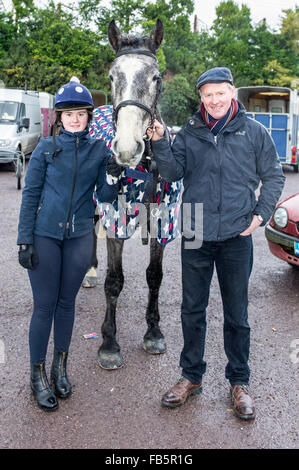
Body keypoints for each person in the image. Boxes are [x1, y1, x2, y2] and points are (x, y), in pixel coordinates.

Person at [148, 67, 285, 420]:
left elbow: (273, 175)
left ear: (232, 92)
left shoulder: (254, 132)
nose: (214, 100)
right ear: (201, 99)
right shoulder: (190, 132)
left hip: (237, 232)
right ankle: (191, 376)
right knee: (192, 309)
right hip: (195, 228)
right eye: (207, 95)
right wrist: (161, 140)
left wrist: (260, 215)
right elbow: (172, 172)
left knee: (236, 313)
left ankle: (239, 382)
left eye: (220, 93)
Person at [17, 77, 119, 411]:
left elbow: (104, 197)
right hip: (45, 236)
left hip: (78, 238)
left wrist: (113, 175)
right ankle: (37, 376)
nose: (75, 119)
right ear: (59, 117)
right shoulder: (46, 148)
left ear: (89, 116)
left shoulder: (98, 150)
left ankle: (60, 368)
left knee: (66, 304)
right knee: (44, 305)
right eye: (68, 113)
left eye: (80, 113)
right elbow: (31, 195)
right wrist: (24, 240)